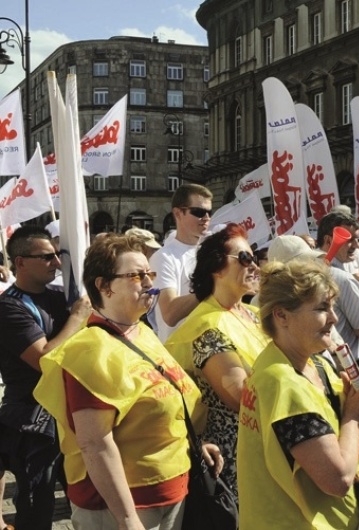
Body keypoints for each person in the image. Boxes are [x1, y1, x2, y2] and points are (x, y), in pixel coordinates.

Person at [33, 234, 223, 530]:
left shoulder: (143, 332)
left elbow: (166, 400)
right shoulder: (90, 350)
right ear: (104, 285)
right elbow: (95, 443)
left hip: (174, 490)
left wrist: (193, 445)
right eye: (136, 275)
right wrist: (127, 519)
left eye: (149, 273)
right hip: (124, 507)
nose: (149, 282)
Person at [237, 259, 359, 529]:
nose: (334, 318)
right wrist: (355, 415)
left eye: (332, 306)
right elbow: (337, 479)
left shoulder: (311, 362)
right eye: (322, 308)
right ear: (281, 315)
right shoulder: (282, 381)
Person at [166, 224, 270, 496]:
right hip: (234, 453)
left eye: (255, 258)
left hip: (267, 441)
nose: (255, 266)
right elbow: (240, 398)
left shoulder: (254, 314)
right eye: (244, 259)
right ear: (216, 268)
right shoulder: (205, 327)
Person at [0, 226, 92, 529]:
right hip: (32, 421)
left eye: (58, 255)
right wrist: (77, 319)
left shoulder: (62, 296)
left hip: (70, 415)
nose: (56, 262)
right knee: (37, 506)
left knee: (86, 497)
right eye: (47, 257)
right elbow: (44, 360)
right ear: (21, 262)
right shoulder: (8, 306)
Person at [150, 183, 213, 341]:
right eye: (198, 212)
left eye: (209, 212)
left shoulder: (213, 252)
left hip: (214, 348)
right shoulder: (163, 257)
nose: (206, 218)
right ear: (178, 213)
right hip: (179, 356)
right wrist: (212, 287)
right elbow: (170, 314)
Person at [316, 211, 359, 360]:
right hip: (348, 367)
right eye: (350, 239)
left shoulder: (309, 267)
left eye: (357, 239)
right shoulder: (343, 279)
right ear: (328, 240)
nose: (357, 245)